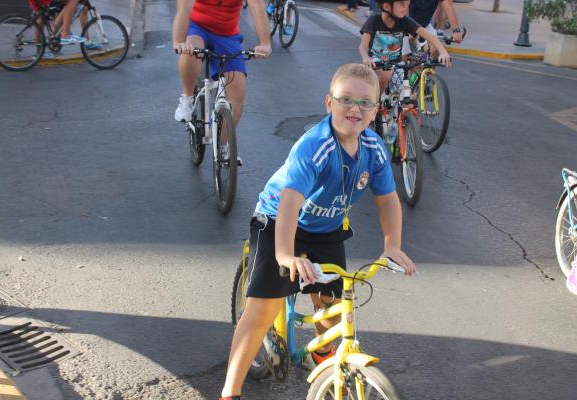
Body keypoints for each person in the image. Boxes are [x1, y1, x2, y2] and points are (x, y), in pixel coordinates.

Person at [219, 63, 417, 400]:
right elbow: (289, 203)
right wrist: (284, 254)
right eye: (346, 100)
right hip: (278, 221)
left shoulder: (374, 150)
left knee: (330, 305)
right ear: (329, 104)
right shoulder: (315, 146)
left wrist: (392, 246)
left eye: (365, 103)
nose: (355, 108)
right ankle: (230, 391)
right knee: (262, 310)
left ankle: (324, 360)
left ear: (375, 110)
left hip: (325, 227)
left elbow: (387, 201)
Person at [172, 0, 271, 129]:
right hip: (197, 27)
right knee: (190, 51)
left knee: (237, 94)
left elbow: (257, 5)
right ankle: (187, 96)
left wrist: (264, 43)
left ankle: (224, 146)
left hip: (227, 34)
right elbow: (184, 7)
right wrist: (179, 41)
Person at [358, 0, 451, 96]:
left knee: (407, 96)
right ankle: (376, 105)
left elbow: (430, 37)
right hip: (376, 62)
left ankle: (403, 105)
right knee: (384, 76)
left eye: (407, 5)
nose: (406, 8)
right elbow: (363, 46)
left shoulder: (405, 21)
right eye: (402, 4)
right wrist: (366, 57)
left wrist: (443, 52)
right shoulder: (374, 21)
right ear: (386, 7)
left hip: (396, 64)